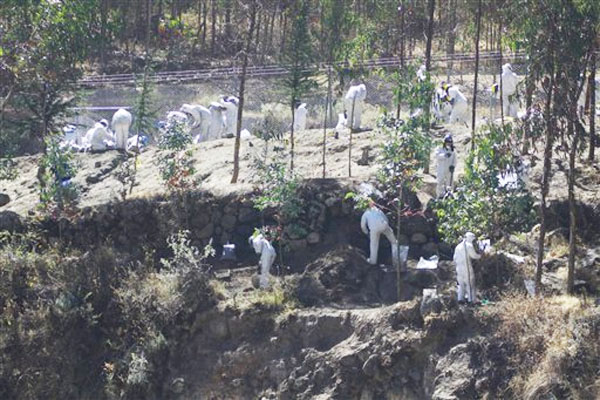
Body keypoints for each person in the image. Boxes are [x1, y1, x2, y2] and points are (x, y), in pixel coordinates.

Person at [360, 200, 399, 266]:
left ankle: (373, 262)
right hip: (384, 226)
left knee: (374, 245)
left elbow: (363, 225)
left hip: (374, 229)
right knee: (394, 242)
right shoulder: (379, 211)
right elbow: (386, 219)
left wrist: (366, 232)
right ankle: (396, 261)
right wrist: (385, 227)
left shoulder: (366, 213)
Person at [453, 232, 482, 304]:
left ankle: (460, 299)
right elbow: (473, 256)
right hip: (466, 267)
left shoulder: (458, 246)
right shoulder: (468, 245)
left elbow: (454, 258)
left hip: (458, 268)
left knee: (461, 283)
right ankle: (471, 300)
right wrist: (480, 256)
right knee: (470, 283)